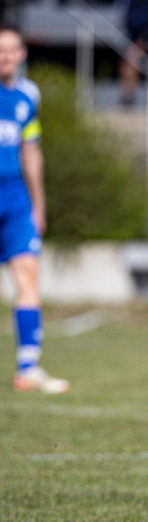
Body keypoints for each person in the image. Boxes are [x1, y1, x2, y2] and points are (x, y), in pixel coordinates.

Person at [0, 25, 68, 394]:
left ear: (23, 53)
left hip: (16, 199)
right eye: (0, 50)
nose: (5, 56)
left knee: (28, 277)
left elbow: (31, 150)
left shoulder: (29, 95)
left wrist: (38, 205)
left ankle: (28, 367)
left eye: (11, 49)